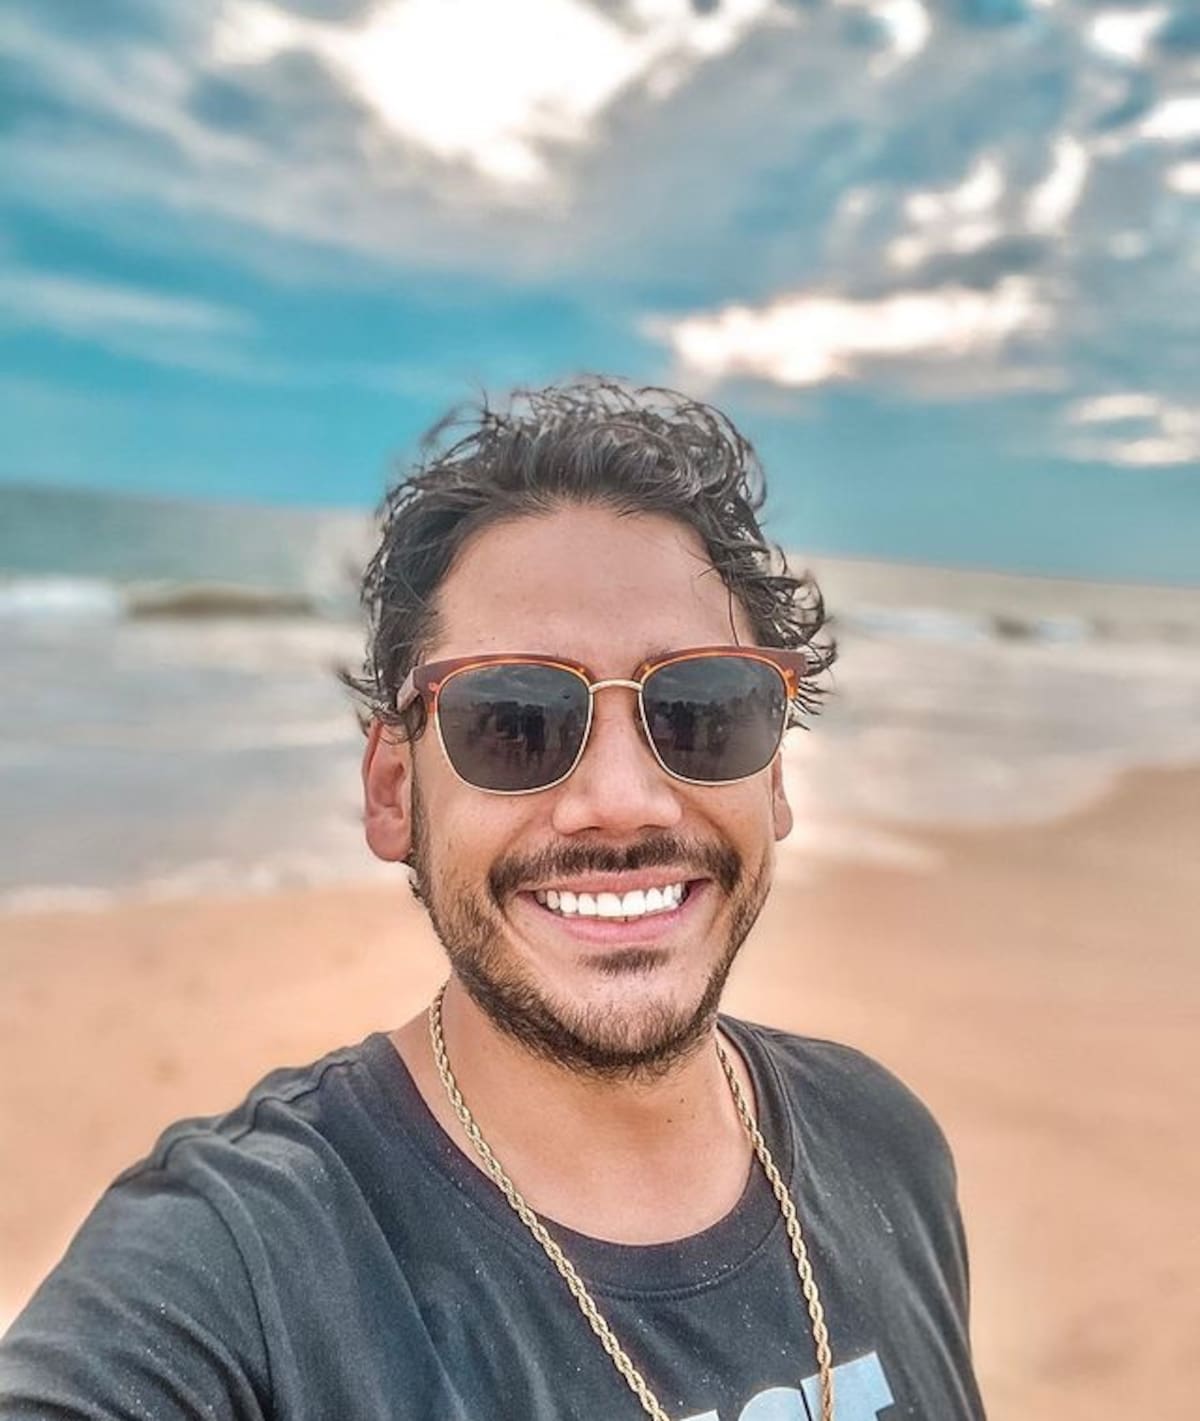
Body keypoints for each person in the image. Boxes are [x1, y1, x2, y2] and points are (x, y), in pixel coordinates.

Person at [0, 380, 986, 1420]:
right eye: (514, 719)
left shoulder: (884, 1145)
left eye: (702, 710)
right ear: (395, 792)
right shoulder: (242, 1265)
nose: (621, 800)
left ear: (775, 777)